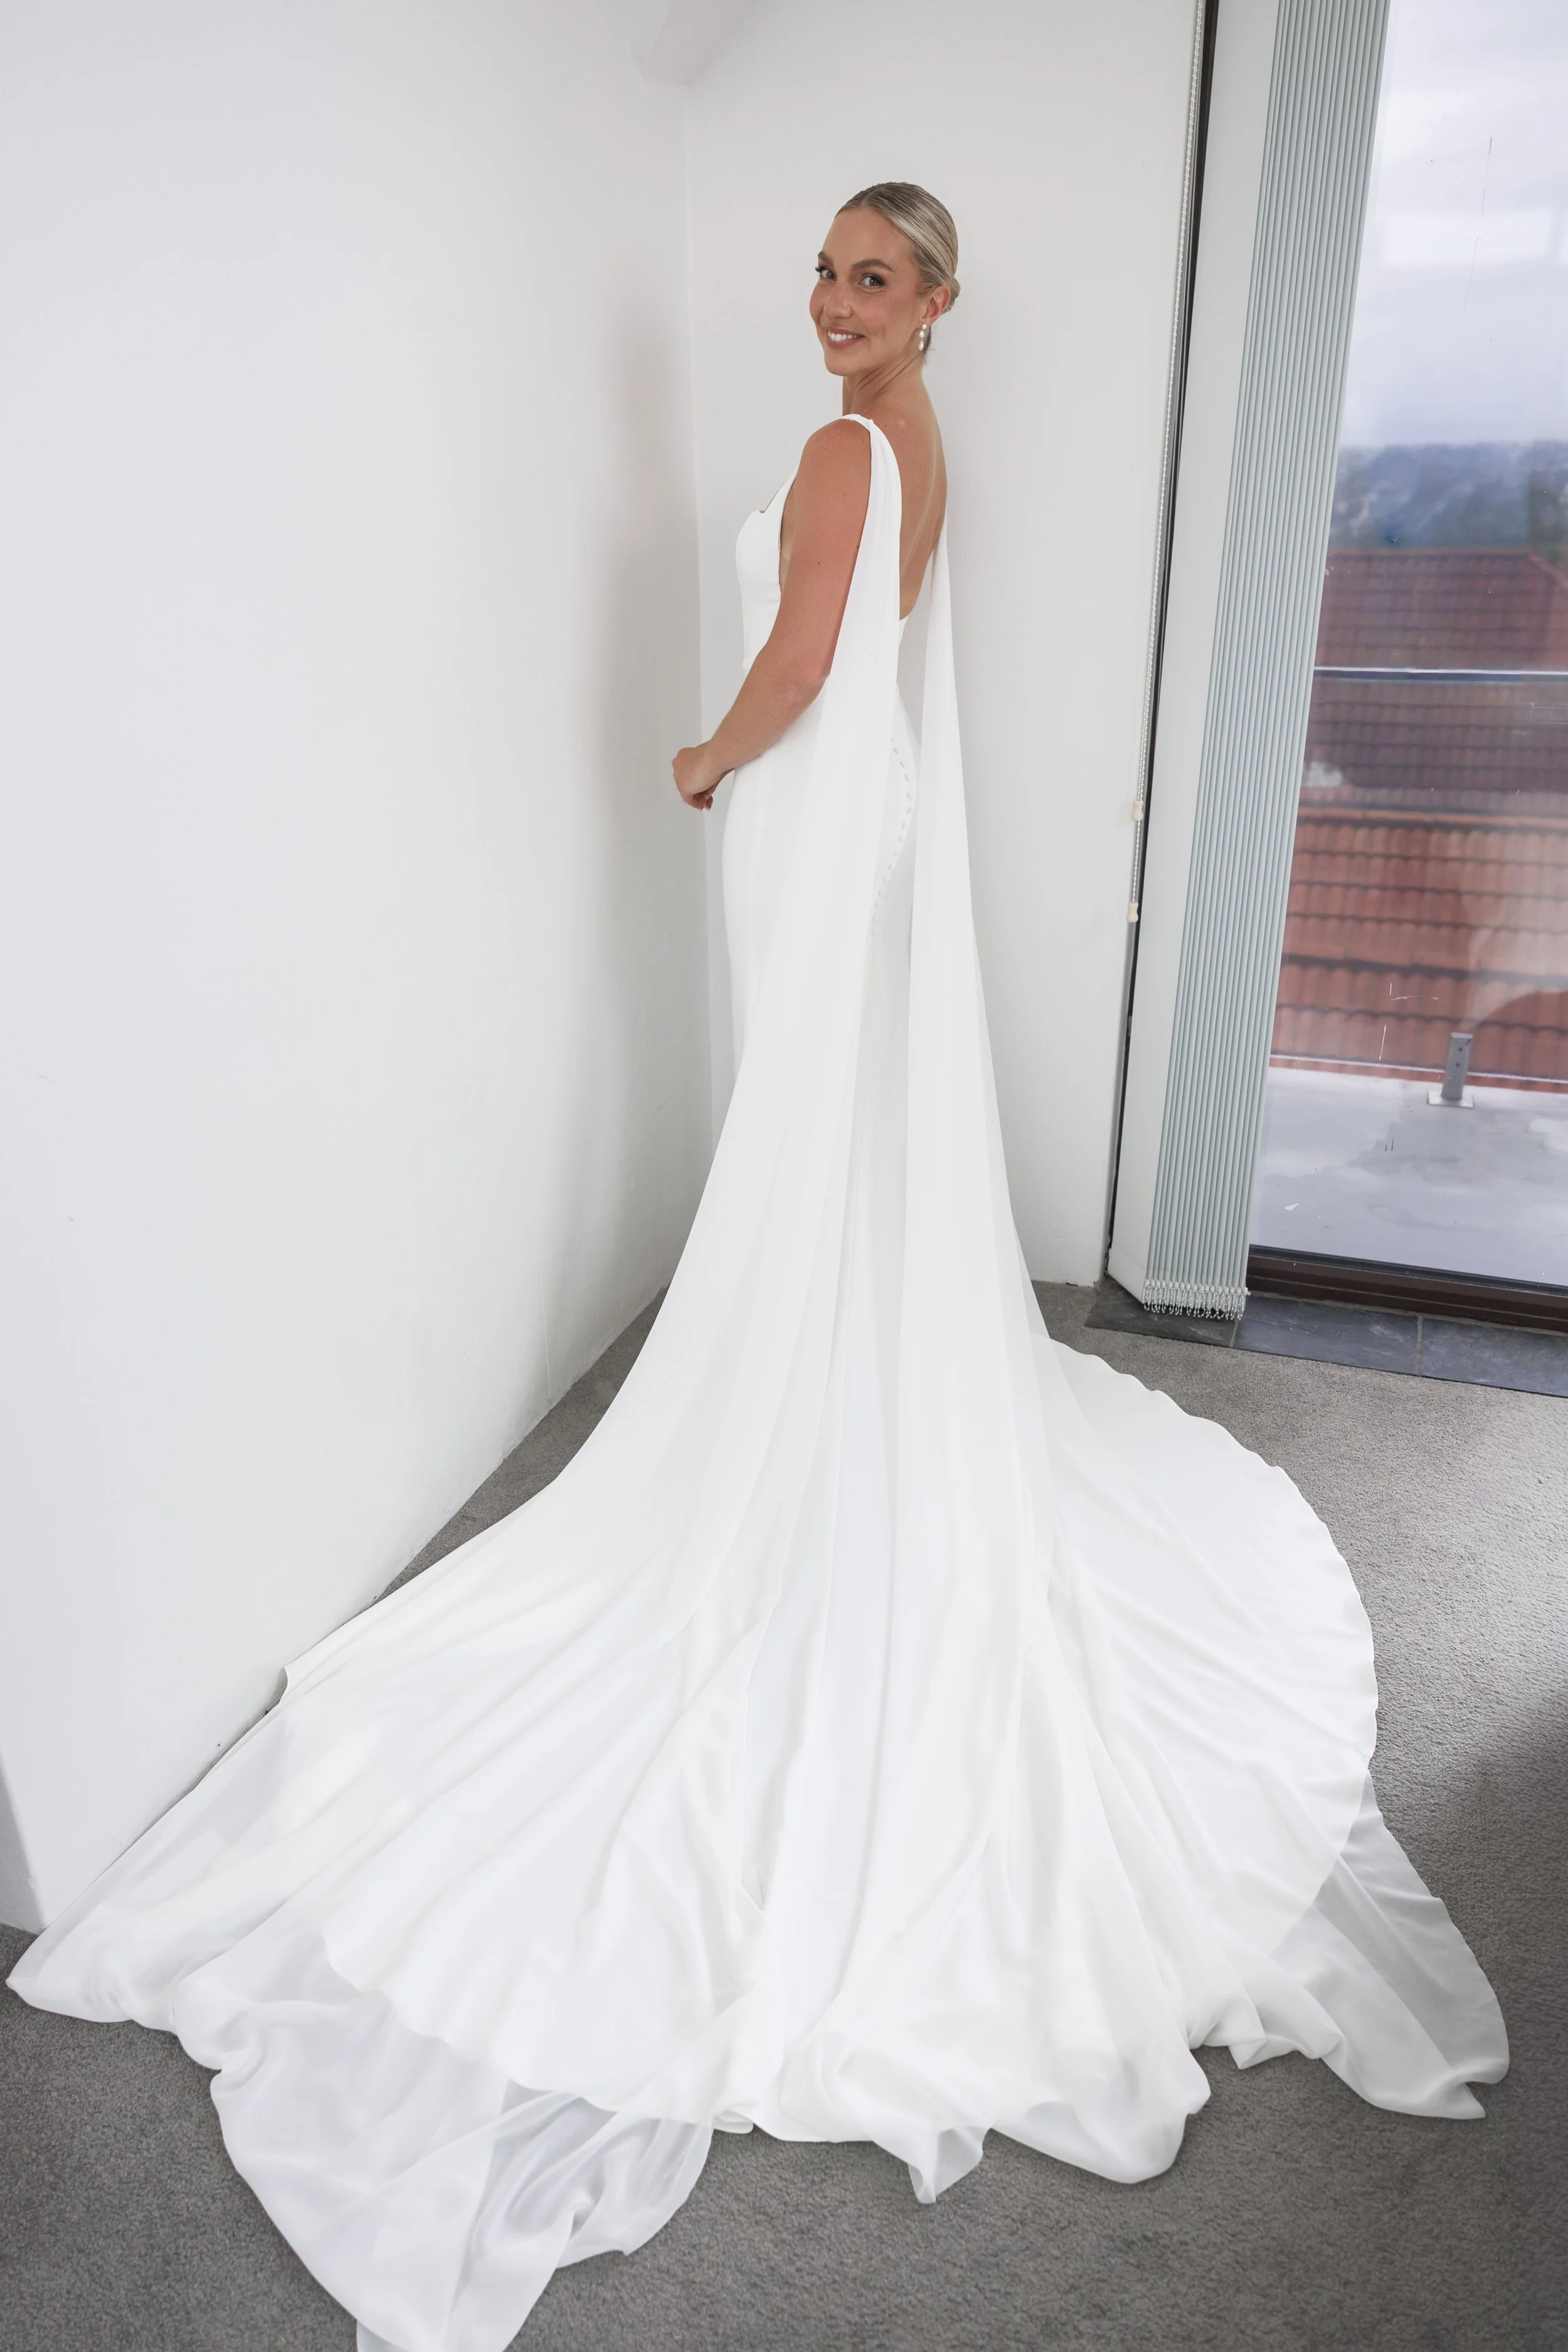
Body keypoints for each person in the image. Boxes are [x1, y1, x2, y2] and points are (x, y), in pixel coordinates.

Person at [8, 184, 1507, 2352]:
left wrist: (704, 752)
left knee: (809, 1126)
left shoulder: (841, 447)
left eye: (869, 280)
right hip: (868, 819)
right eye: (818, 272)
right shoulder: (921, 439)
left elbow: (803, 666)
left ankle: (796, 1403)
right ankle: (838, 1367)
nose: (828, 305)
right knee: (848, 1138)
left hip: (810, 804)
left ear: (936, 301)